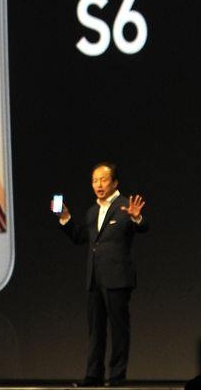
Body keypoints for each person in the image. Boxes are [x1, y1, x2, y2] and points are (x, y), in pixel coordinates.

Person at [55, 162, 148, 386]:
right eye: (95, 180)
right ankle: (93, 375)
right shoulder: (92, 211)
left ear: (115, 182)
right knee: (95, 330)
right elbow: (80, 238)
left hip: (117, 278)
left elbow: (143, 227)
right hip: (94, 278)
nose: (99, 184)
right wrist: (65, 218)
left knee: (118, 330)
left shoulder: (125, 206)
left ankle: (117, 376)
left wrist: (137, 218)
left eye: (103, 180)